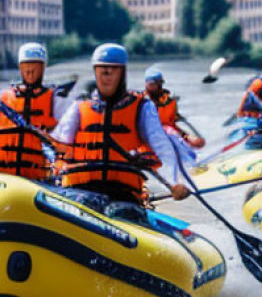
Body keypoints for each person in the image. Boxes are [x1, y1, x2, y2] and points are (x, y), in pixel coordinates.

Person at [53, 43, 189, 205]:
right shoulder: (79, 107)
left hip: (123, 193)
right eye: (102, 71)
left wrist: (175, 183)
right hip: (80, 190)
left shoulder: (142, 108)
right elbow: (59, 147)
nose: (107, 76)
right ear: (95, 73)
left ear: (122, 74)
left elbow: (162, 148)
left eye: (113, 71)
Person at [0, 42, 62, 181]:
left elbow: (64, 140)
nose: (30, 71)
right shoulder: (4, 99)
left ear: (43, 69)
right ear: (20, 68)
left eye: (35, 67)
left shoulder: (54, 99)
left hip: (35, 178)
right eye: (26, 67)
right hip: (1, 177)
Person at [142, 65, 205, 148]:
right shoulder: (140, 102)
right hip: (148, 143)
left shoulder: (170, 102)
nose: (153, 87)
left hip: (170, 138)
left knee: (199, 142)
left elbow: (175, 124)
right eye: (150, 84)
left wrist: (188, 137)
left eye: (158, 84)